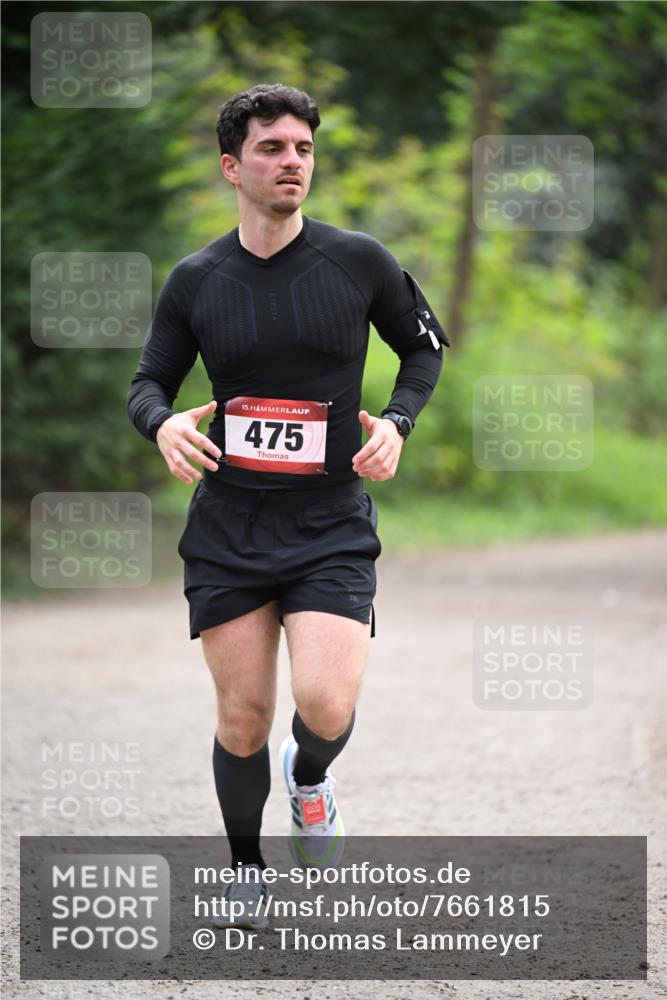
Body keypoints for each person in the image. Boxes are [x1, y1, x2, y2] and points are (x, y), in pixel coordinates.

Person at [127, 83, 448, 928]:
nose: (292, 163)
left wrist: (400, 425)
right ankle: (243, 866)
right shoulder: (197, 280)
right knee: (242, 717)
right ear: (233, 166)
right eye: (272, 149)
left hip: (329, 524)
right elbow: (148, 383)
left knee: (325, 705)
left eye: (303, 148)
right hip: (229, 526)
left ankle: (310, 778)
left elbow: (422, 352)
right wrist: (162, 426)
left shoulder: (360, 263)